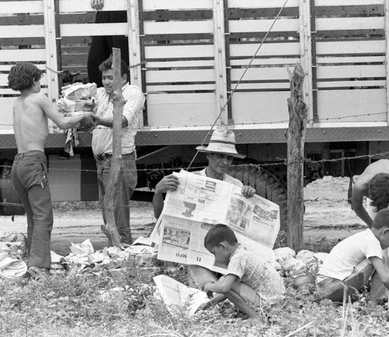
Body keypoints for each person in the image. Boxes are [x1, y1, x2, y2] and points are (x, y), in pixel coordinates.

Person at [7, 62, 93, 278]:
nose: (40, 84)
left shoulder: (17, 103)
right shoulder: (39, 98)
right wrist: (83, 115)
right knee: (44, 217)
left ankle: (33, 263)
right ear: (34, 80)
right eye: (39, 80)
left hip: (18, 164)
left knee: (33, 218)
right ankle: (37, 267)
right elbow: (63, 123)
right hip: (34, 161)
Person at [152, 128, 256, 287]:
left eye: (229, 158)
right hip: (197, 256)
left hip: (224, 256)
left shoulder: (236, 186)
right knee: (208, 286)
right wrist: (158, 192)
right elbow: (160, 215)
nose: (225, 162)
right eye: (220, 156)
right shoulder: (189, 181)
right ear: (208, 155)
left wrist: (248, 196)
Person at [92, 54, 145, 245]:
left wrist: (96, 120)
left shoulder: (132, 93)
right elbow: (84, 102)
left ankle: (123, 257)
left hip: (118, 161)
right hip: (101, 161)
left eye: (110, 77)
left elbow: (122, 120)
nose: (106, 82)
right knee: (109, 214)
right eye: (104, 78)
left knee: (118, 217)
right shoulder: (100, 94)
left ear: (123, 78)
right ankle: (116, 252)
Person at [315, 209, 389, 302]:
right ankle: (374, 301)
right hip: (333, 287)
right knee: (382, 259)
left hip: (324, 286)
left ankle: (372, 298)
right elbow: (385, 279)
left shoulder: (365, 236)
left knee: (379, 261)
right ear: (385, 232)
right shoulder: (373, 243)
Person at [202, 224, 285, 322]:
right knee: (226, 281)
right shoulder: (242, 253)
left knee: (224, 281)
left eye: (214, 253)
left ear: (222, 246)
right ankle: (256, 315)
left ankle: (256, 317)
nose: (215, 258)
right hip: (277, 301)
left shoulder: (237, 258)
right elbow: (232, 289)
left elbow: (225, 287)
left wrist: (208, 286)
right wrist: (212, 302)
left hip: (269, 303)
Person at [350, 159, 389, 268]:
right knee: (376, 235)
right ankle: (378, 269)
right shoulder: (360, 186)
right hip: (377, 187)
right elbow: (357, 207)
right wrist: (373, 226)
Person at [87, 0, 129, 87]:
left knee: (123, 61)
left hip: (124, 9)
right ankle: (100, 97)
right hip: (104, 11)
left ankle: (126, 97)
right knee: (95, 61)